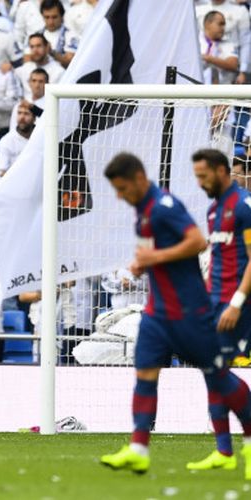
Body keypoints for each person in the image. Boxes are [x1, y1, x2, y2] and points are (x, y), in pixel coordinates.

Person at [100, 152, 251, 476]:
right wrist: (143, 264)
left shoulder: (173, 207)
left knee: (217, 376)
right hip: (168, 310)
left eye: (122, 188)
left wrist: (237, 301)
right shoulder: (206, 210)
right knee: (146, 370)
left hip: (202, 310)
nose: (200, 183)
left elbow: (195, 242)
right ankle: (141, 447)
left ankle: (242, 443)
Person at [195, 149, 251, 368]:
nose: (201, 184)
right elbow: (218, 260)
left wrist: (236, 304)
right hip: (216, 305)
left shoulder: (244, 207)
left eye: (204, 177)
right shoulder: (212, 211)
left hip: (239, 308)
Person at [14, 33, 64, 100]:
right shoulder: (25, 68)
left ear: (47, 47)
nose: (35, 50)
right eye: (32, 47)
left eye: (38, 46)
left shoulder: (59, 72)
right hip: (24, 108)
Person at [200, 11, 239, 85]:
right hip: (195, 91)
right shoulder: (196, 41)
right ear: (208, 24)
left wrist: (208, 58)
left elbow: (233, 65)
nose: (223, 28)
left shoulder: (228, 44)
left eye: (224, 25)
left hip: (223, 92)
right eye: (220, 24)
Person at [0, 102, 36, 174]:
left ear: (34, 118)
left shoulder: (41, 137)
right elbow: (1, 172)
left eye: (26, 114)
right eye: (19, 113)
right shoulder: (6, 140)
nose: (22, 117)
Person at [36, 0, 77, 68]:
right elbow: (27, 59)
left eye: (54, 17)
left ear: (62, 16)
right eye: (47, 17)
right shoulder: (36, 34)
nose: (51, 21)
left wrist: (52, 52)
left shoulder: (71, 36)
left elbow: (71, 63)